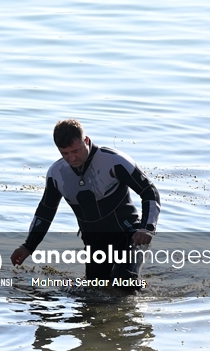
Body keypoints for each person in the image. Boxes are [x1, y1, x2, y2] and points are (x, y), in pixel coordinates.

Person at [10, 119, 161, 279]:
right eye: (65, 153)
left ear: (86, 141)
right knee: (93, 293)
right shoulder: (57, 174)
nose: (72, 158)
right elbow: (45, 212)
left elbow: (149, 192)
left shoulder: (114, 161)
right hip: (95, 243)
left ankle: (144, 301)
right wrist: (28, 246)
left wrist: (146, 228)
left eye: (76, 151)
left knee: (124, 280)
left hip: (129, 235)